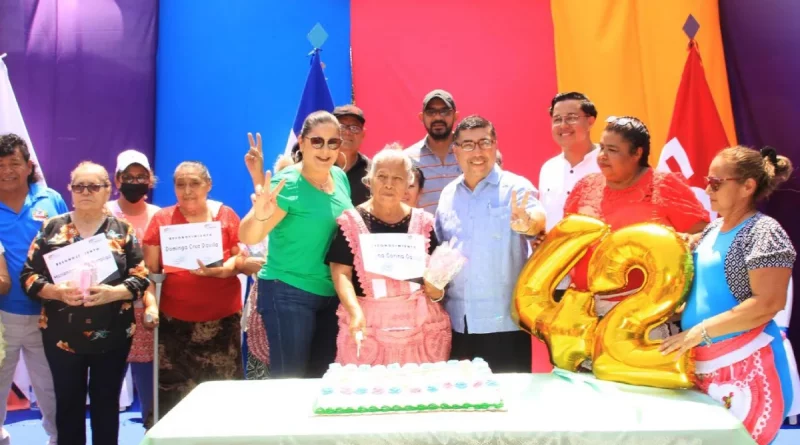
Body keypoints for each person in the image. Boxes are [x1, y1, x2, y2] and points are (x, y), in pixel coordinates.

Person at [661, 146, 795, 445]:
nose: (707, 189)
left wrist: (700, 332)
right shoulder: (710, 231)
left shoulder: (765, 232)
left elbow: (768, 303)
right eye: (708, 180)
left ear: (748, 186)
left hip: (749, 370)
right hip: (704, 368)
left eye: (717, 182)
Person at [21, 161, 151, 445]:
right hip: (61, 336)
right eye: (79, 186)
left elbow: (141, 277)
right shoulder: (52, 228)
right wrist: (56, 292)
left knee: (106, 404)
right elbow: (28, 277)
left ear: (107, 190)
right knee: (67, 405)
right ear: (70, 190)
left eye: (94, 186)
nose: (86, 192)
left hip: (113, 333)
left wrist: (113, 293)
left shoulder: (123, 230)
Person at [564, 116, 709, 335]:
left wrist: (689, 241)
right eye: (602, 147)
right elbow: (569, 238)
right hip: (587, 314)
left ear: (637, 153)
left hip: (647, 317)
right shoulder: (585, 186)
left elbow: (704, 233)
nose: (602, 156)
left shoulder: (665, 186)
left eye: (612, 150)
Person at [240, 111, 353, 378]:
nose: (325, 150)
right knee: (290, 381)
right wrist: (260, 215)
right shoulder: (286, 183)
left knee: (321, 378)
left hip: (329, 294)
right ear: (301, 142)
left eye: (332, 142)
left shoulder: (340, 178)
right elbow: (248, 236)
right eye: (317, 141)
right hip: (288, 293)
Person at [435, 115, 545, 373]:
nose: (478, 151)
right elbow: (440, 247)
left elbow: (536, 221)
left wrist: (528, 223)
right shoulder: (448, 194)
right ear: (456, 151)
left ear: (495, 146)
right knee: (462, 403)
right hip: (457, 322)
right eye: (469, 145)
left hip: (504, 322)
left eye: (484, 142)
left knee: (508, 403)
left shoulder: (516, 188)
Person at [326, 147, 451, 365]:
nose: (389, 184)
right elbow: (341, 274)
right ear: (370, 180)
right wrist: (355, 312)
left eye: (397, 178)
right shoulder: (350, 223)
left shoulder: (424, 223)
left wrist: (437, 290)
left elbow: (438, 278)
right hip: (369, 328)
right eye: (382, 176)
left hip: (421, 330)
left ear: (407, 184)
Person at [142, 161, 244, 416]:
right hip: (174, 325)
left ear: (208, 185)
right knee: (175, 402)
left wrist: (225, 269)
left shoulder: (226, 215)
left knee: (222, 402)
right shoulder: (162, 219)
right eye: (180, 184)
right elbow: (150, 273)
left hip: (222, 324)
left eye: (194, 183)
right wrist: (151, 305)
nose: (187, 190)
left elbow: (240, 258)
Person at [0, 133, 62, 445]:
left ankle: (58, 437)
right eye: (0, 165)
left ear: (29, 165)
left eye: (14, 163)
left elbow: (71, 243)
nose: (6, 171)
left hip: (48, 315)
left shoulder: (50, 199)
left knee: (50, 385)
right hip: (2, 316)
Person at [105, 149, 160, 428]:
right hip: (110, 311)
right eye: (129, 177)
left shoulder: (160, 216)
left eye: (141, 177)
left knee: (151, 388)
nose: (135, 182)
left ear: (150, 180)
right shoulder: (103, 214)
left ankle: (151, 430)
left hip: (150, 311)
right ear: (117, 180)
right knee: (105, 388)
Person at [539, 92, 601, 299]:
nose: (563, 125)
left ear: (590, 121)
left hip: (600, 278)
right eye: (557, 119)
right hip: (557, 279)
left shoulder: (608, 162)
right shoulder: (549, 168)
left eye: (572, 118)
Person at [405, 89, 461, 214]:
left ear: (456, 116)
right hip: (424, 233)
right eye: (431, 112)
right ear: (421, 117)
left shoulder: (469, 154)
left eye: (445, 111)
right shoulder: (407, 159)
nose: (438, 117)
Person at [333, 105, 371, 206]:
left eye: (354, 128)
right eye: (341, 126)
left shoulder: (372, 172)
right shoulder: (318, 167)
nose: (347, 132)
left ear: (363, 134)